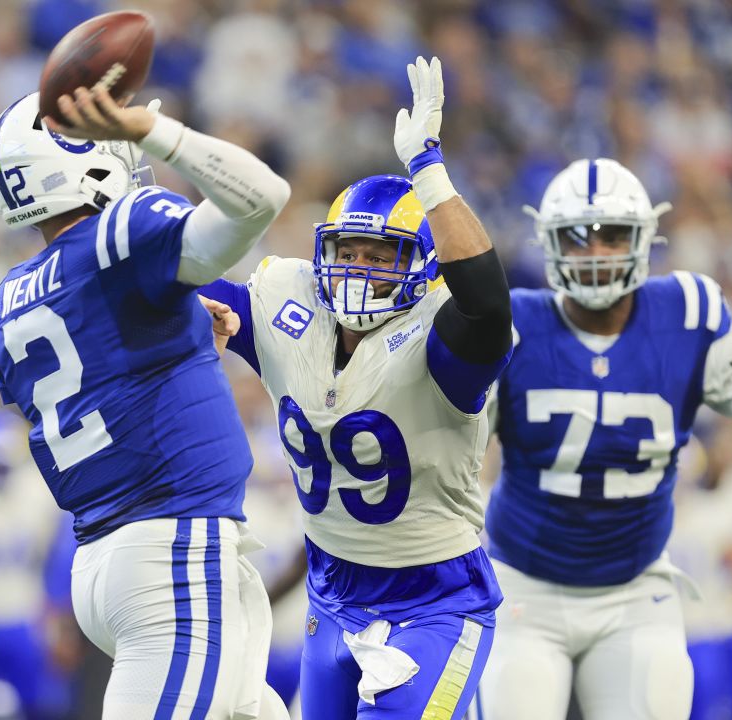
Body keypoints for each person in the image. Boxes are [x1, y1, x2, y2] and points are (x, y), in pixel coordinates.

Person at [477, 157, 732, 719]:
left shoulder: (686, 316)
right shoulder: (515, 324)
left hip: (634, 593)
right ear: (548, 244)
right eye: (577, 239)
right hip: (524, 587)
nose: (597, 252)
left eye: (613, 236)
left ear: (645, 239)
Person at [200, 56, 513, 718]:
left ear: (424, 268)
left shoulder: (442, 338)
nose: (359, 271)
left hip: (433, 601)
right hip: (330, 591)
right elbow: (181, 277)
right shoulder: (290, 307)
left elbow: (486, 301)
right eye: (348, 252)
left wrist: (428, 171)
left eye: (382, 258)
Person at [0, 84, 292, 718]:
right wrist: (155, 130)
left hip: (104, 560)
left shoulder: (1, 305)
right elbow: (262, 199)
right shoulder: (119, 231)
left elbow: (101, 360)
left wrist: (172, 313)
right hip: (170, 549)